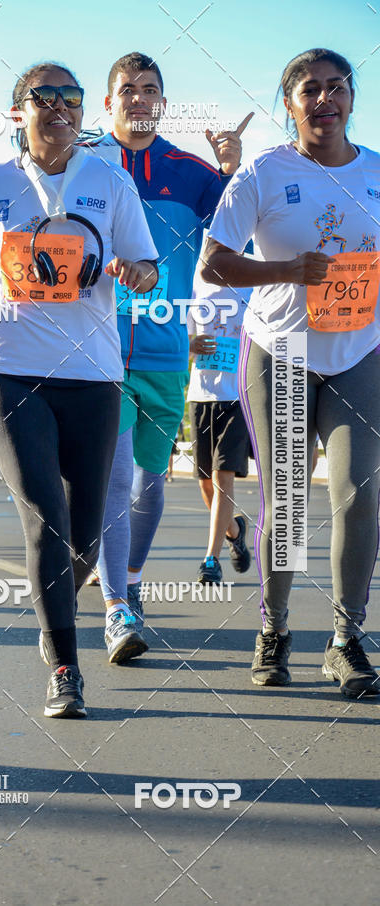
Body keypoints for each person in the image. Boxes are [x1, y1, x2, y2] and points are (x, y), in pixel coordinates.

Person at [0, 62, 158, 718]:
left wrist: (134, 275)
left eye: (71, 98)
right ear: (17, 113)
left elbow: (146, 267)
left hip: (93, 375)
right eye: (43, 97)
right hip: (8, 370)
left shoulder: (110, 181)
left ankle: (50, 611)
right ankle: (64, 668)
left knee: (82, 538)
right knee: (44, 516)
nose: (60, 108)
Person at [202, 48, 380, 698]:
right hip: (281, 352)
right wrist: (285, 271)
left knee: (360, 492)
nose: (325, 100)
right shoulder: (262, 174)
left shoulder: (377, 173)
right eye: (311, 90)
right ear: (290, 103)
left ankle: (345, 640)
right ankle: (274, 631)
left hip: (361, 352)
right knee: (289, 504)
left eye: (337, 88)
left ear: (353, 99)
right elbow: (214, 263)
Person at [86, 52, 252, 662]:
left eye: (149, 90)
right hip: (96, 348)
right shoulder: (86, 164)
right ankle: (117, 608)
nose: (137, 99)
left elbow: (241, 237)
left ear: (162, 102)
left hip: (166, 350)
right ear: (108, 103)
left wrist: (234, 174)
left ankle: (126, 582)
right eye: (126, 90)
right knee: (116, 475)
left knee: (150, 485)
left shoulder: (191, 173)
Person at [187, 270, 252, 584]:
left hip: (239, 395)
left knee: (222, 476)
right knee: (205, 484)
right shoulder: (196, 283)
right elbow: (180, 341)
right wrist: (192, 344)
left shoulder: (254, 280)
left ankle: (210, 559)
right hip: (201, 395)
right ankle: (235, 531)